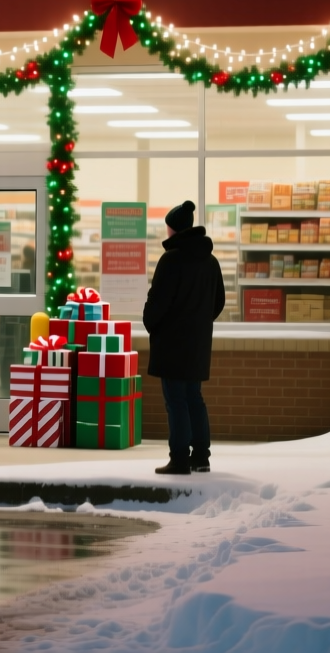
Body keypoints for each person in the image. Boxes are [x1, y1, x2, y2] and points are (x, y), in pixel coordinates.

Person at [142, 201, 225, 475]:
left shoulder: (171, 260)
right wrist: (199, 324)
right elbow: (218, 302)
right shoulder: (210, 262)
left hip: (172, 344)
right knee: (194, 398)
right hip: (197, 344)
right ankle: (201, 457)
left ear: (174, 229)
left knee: (176, 400)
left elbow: (157, 303)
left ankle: (179, 458)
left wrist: (152, 323)